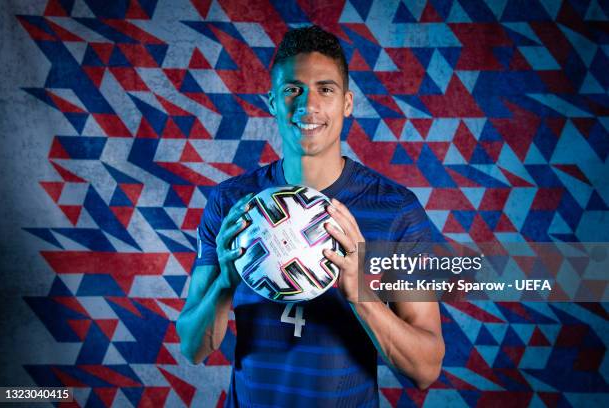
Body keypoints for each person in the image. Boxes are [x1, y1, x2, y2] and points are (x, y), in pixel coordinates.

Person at [176, 25, 444, 407]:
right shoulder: (231, 204)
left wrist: (360, 294)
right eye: (292, 90)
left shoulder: (396, 209)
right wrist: (224, 283)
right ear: (271, 101)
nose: (308, 105)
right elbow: (192, 348)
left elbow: (426, 369)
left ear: (347, 103)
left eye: (325, 89)